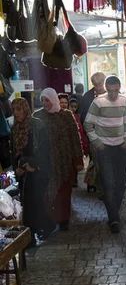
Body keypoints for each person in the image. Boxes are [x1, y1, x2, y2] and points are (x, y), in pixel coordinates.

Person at [84, 75, 126, 233]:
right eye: (110, 91)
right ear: (106, 88)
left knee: (121, 184)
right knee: (109, 184)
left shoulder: (124, 101)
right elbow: (88, 124)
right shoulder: (98, 102)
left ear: (120, 87)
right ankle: (114, 219)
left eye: (116, 91)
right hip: (105, 150)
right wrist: (98, 143)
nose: (113, 94)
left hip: (120, 148)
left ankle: (114, 212)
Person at [35, 88, 84, 231]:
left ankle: (64, 219)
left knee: (64, 192)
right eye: (43, 100)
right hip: (47, 162)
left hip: (64, 160)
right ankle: (50, 219)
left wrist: (78, 159)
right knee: (48, 192)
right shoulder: (38, 117)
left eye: (47, 100)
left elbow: (75, 138)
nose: (45, 103)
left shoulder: (67, 116)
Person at [10, 98, 54, 244]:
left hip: (37, 169)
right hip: (23, 170)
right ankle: (40, 229)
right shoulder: (15, 128)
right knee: (28, 202)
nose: (16, 113)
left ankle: (37, 232)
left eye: (19, 109)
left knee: (35, 202)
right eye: (14, 110)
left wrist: (35, 166)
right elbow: (14, 152)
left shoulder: (37, 124)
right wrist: (17, 168)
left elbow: (44, 149)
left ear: (25, 109)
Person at [69, 97, 89, 186]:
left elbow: (80, 131)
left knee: (74, 164)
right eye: (71, 106)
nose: (73, 108)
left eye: (75, 107)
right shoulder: (65, 116)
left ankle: (74, 180)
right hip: (67, 146)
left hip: (75, 146)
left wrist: (84, 147)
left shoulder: (77, 117)